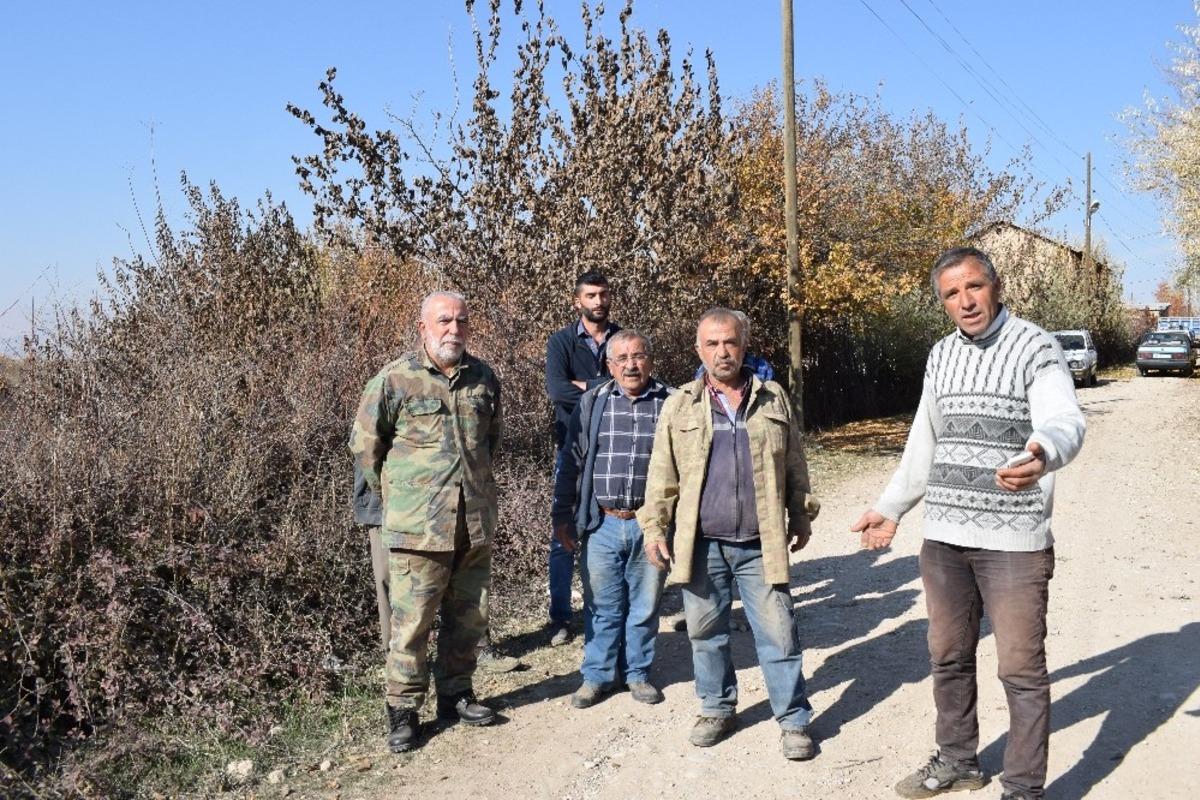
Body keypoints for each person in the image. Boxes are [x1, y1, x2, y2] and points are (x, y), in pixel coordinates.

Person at [850, 247, 1085, 800]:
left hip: (1014, 542)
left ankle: (1024, 788)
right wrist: (890, 507)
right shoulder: (940, 355)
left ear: (996, 286)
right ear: (943, 303)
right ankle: (958, 761)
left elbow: (1064, 418)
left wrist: (1044, 451)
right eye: (952, 294)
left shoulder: (1035, 345)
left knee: (1021, 670)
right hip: (946, 540)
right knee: (948, 657)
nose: (966, 300)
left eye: (974, 287)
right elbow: (924, 439)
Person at [638, 307, 821, 761]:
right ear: (699, 350)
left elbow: (794, 463)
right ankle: (717, 708)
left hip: (761, 544)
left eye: (731, 342)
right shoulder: (680, 403)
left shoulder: (772, 397)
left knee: (779, 634)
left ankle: (794, 720)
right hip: (702, 545)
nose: (723, 352)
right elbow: (662, 475)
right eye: (713, 344)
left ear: (744, 345)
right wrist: (654, 528)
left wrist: (801, 515)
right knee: (705, 633)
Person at [349, 291, 503, 753]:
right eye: (443, 321)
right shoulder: (394, 380)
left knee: (469, 617)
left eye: (461, 321)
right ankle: (402, 712)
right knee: (412, 624)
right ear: (423, 328)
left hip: (473, 523)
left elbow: (490, 444)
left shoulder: (484, 379)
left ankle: (456, 694)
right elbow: (365, 450)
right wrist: (404, 502)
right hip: (419, 528)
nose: (453, 329)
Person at [551, 330, 672, 708]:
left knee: (646, 604)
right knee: (601, 604)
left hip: (650, 524)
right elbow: (570, 463)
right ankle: (598, 676)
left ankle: (637, 674)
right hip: (601, 522)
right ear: (609, 366)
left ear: (651, 360)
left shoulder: (671, 403)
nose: (631, 364)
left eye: (638, 356)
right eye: (621, 359)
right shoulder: (593, 402)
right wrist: (563, 515)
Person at [544, 271, 621, 645]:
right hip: (572, 446)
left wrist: (584, 387)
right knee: (564, 535)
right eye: (591, 295)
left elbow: (631, 385)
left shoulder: (623, 339)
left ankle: (608, 610)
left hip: (616, 448)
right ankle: (560, 618)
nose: (599, 301)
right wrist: (604, 388)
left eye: (603, 294)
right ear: (578, 301)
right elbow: (557, 391)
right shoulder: (560, 342)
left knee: (614, 531)